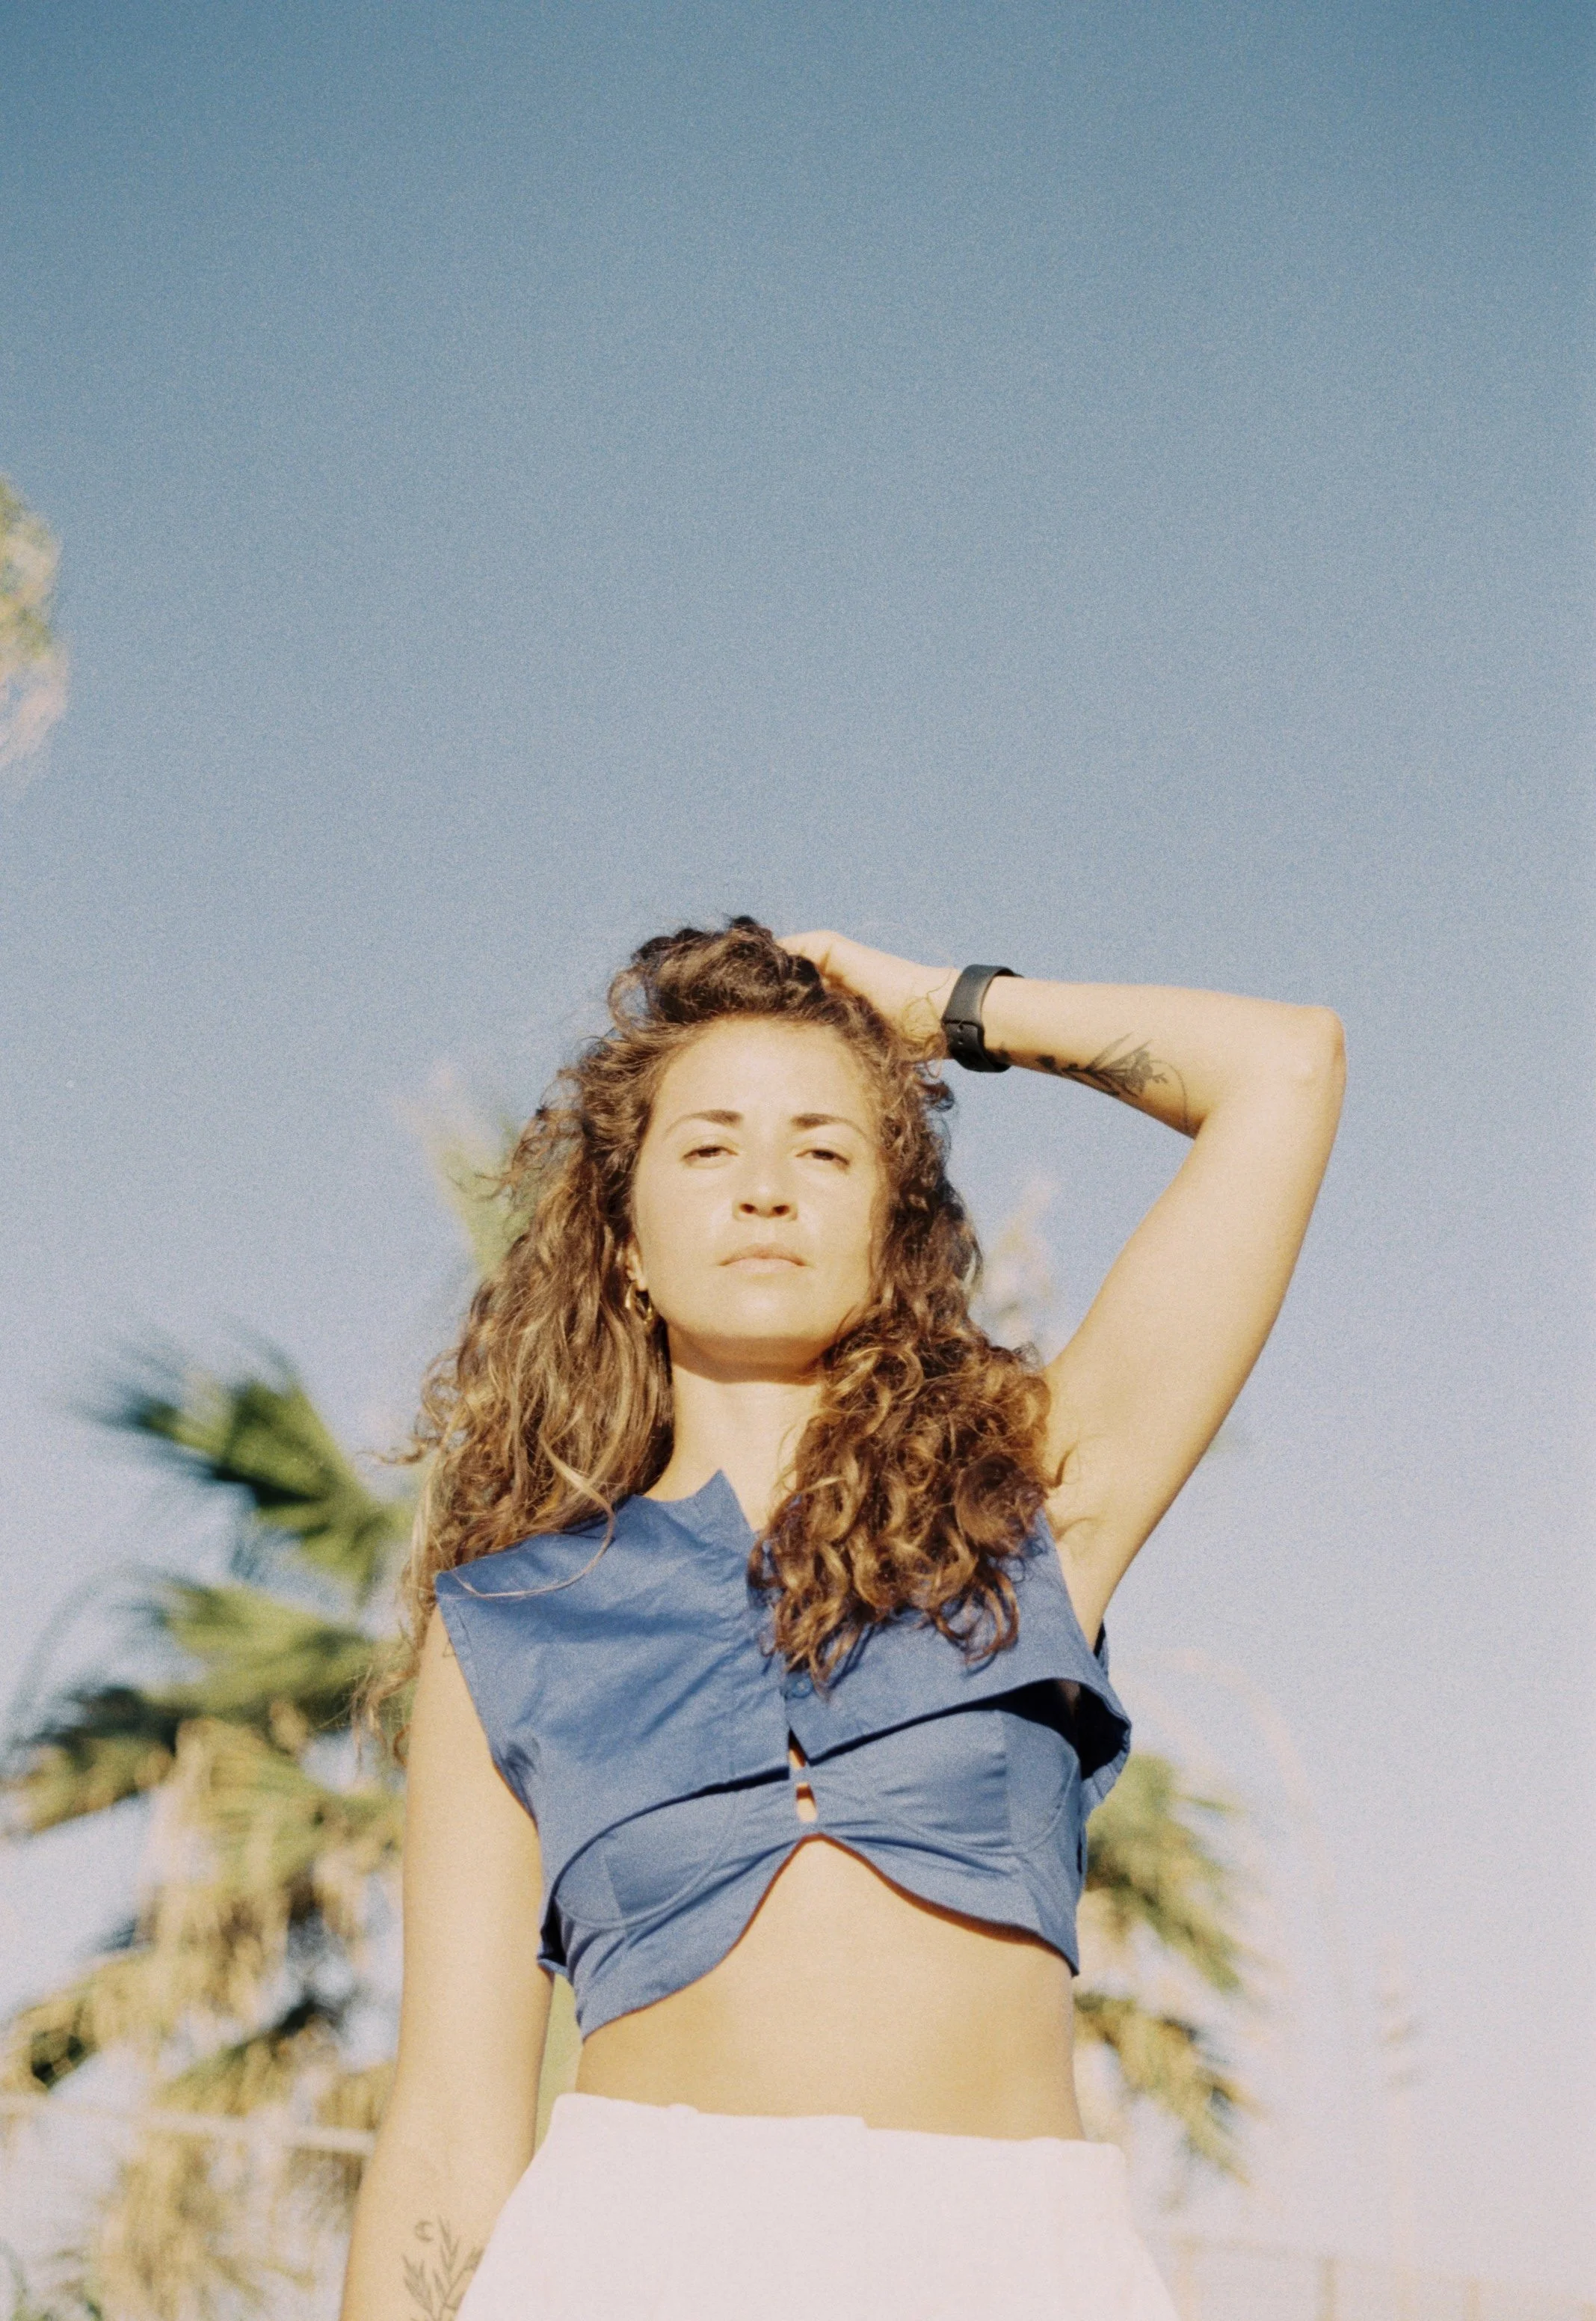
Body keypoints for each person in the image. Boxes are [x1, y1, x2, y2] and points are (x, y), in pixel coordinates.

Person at [339, 919, 1344, 2321]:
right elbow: (448, 2129)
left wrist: (933, 1011)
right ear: (624, 1242)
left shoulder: (1032, 1506)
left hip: (1015, 2258)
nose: (765, 1189)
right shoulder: (511, 1621)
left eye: (823, 1149)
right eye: (706, 1149)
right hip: (631, 2257)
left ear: (892, 1227)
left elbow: (1283, 1068)